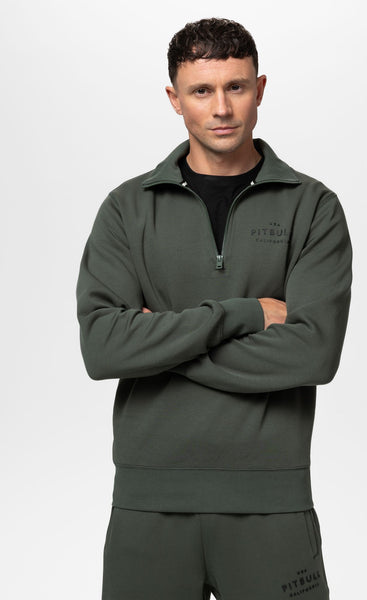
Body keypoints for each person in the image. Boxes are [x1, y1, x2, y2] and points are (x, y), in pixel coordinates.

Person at [76, 17, 352, 600]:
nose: (221, 108)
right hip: (148, 506)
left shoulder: (313, 207)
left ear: (260, 89)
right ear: (174, 99)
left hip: (272, 506)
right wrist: (244, 316)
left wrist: (159, 343)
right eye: (202, 90)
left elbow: (313, 353)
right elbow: (103, 348)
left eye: (236, 87)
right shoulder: (126, 209)